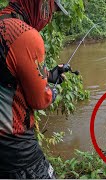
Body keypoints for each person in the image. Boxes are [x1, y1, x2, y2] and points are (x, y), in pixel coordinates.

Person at [0, 0, 69, 178]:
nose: (50, 18)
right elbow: (40, 100)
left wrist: (50, 75)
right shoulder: (25, 35)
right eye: (51, 11)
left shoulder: (3, 23)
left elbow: (9, 72)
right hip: (13, 145)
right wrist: (52, 92)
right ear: (42, 4)